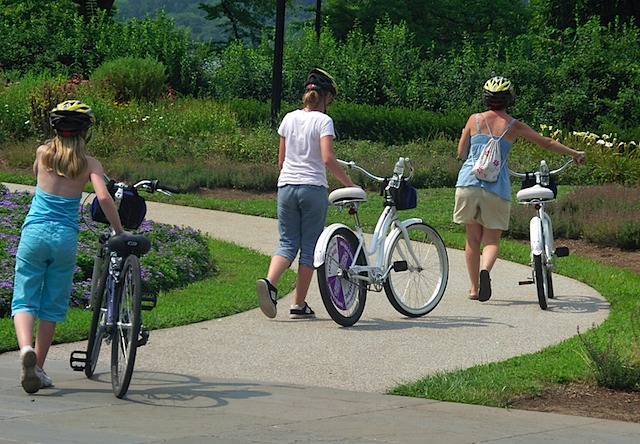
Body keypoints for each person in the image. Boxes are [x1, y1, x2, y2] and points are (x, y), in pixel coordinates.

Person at [12, 100, 125, 394]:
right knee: (52, 303)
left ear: (54, 128)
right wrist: (119, 230)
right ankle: (38, 367)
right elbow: (102, 198)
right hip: (64, 238)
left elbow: (37, 173)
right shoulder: (90, 164)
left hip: (33, 233)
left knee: (24, 297)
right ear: (86, 132)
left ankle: (26, 349)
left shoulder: (42, 153)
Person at [454, 76, 585, 302]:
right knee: (492, 241)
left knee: (472, 238)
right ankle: (486, 270)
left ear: (485, 99)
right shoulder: (514, 125)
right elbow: (546, 143)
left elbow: (461, 152)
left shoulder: (473, 120)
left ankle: (474, 289)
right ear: (509, 99)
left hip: (467, 183)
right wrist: (574, 153)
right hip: (496, 187)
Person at [256, 68, 355, 319]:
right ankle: (298, 304)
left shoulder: (289, 118)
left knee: (288, 244)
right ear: (324, 97)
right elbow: (328, 158)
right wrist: (348, 183)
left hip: (286, 186)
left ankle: (269, 282)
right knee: (310, 248)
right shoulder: (324, 121)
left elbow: (281, 161)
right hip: (312, 188)